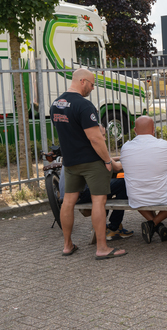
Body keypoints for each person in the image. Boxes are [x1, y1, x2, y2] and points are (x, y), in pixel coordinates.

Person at [49, 68, 126, 259]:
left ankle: (67, 245)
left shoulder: (56, 104)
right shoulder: (84, 105)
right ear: (82, 81)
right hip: (91, 162)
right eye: (92, 84)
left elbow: (69, 131)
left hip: (70, 162)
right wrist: (108, 160)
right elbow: (96, 139)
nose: (92, 88)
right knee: (98, 201)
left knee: (68, 202)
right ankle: (102, 248)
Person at [120, 116, 167, 244]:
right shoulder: (163, 145)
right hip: (162, 196)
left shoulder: (125, 147)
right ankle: (154, 224)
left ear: (135, 130)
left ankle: (153, 224)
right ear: (153, 130)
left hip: (136, 197)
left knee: (138, 195)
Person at [58, 163, 134, 241]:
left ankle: (101, 227)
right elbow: (115, 167)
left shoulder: (70, 155)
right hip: (81, 193)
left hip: (67, 197)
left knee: (105, 187)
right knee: (122, 184)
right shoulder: (92, 152)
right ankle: (114, 227)